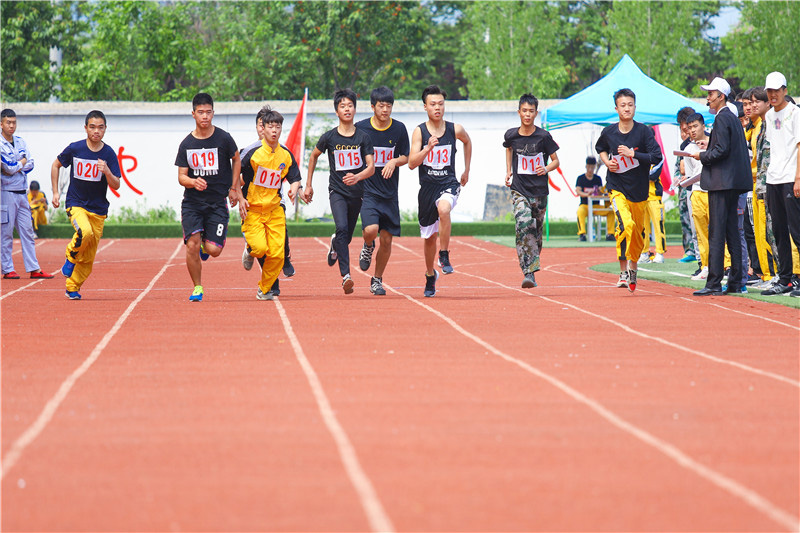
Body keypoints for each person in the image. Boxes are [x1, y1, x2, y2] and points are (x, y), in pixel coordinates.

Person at [303, 88, 375, 294]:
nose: (346, 109)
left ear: (354, 109)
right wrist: (308, 185)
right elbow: (313, 156)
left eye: (350, 106)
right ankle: (346, 276)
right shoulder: (329, 138)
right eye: (342, 106)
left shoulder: (363, 138)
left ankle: (335, 244)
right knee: (342, 227)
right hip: (337, 192)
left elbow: (371, 167)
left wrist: (357, 176)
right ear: (337, 111)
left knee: (346, 236)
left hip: (357, 193)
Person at [175, 92, 242, 302]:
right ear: (193, 114)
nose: (205, 116)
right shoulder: (186, 144)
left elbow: (236, 159)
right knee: (192, 244)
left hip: (217, 203)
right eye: (200, 112)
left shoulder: (223, 138)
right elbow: (181, 177)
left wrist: (233, 188)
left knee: (213, 250)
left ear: (213, 113)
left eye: (208, 112)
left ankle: (208, 244)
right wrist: (194, 182)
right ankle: (197, 287)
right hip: (193, 204)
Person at [595, 88, 662, 293]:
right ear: (616, 108)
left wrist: (633, 154)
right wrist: (607, 162)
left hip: (639, 191)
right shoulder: (609, 132)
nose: (627, 108)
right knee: (626, 225)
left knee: (638, 233)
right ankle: (623, 272)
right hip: (617, 187)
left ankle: (633, 267)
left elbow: (656, 157)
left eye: (630, 105)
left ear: (635, 107)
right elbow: (601, 149)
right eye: (622, 105)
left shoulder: (644, 132)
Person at [408, 84, 472, 297]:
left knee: (444, 210)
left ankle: (444, 255)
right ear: (425, 107)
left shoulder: (455, 129)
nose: (437, 108)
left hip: (448, 183)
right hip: (427, 188)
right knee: (428, 239)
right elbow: (411, 163)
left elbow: (467, 142)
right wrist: (427, 148)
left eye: (441, 104)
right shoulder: (419, 131)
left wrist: (466, 170)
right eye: (433, 104)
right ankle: (429, 275)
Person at [690, 77, 752, 296]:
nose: (708, 98)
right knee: (732, 232)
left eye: (710, 94)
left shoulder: (723, 118)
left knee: (717, 232)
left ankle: (714, 282)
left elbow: (721, 150)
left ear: (721, 96)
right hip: (732, 182)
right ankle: (736, 281)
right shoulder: (731, 117)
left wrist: (702, 155)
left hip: (723, 182)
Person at [50, 110, 121, 299]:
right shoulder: (75, 149)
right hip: (76, 203)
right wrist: (56, 192)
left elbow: (116, 184)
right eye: (92, 127)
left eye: (100, 127)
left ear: (105, 129)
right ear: (85, 128)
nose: (96, 131)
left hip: (98, 210)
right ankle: (70, 257)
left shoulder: (109, 153)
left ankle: (72, 287)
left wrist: (106, 171)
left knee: (88, 258)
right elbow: (55, 165)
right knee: (85, 232)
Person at [239, 106, 301, 300]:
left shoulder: (286, 155)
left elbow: (295, 177)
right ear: (262, 129)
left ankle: (264, 289)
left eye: (278, 127)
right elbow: (233, 173)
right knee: (259, 249)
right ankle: (250, 248)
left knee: (277, 254)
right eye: (270, 126)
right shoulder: (251, 152)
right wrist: (237, 195)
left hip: (275, 209)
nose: (274, 131)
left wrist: (294, 188)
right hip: (253, 209)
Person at [355, 86, 410, 296]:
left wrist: (394, 161)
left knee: (387, 239)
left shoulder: (399, 129)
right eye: (381, 106)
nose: (385, 110)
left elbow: (406, 156)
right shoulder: (361, 129)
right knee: (370, 230)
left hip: (390, 193)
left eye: (389, 106)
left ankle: (377, 280)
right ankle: (368, 246)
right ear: (372, 107)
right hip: (368, 192)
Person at [503, 93, 560, 288]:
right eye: (524, 111)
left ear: (536, 113)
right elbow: (508, 148)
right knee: (523, 223)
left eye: (531, 111)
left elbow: (556, 161)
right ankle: (529, 272)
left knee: (535, 233)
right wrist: (509, 171)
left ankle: (531, 265)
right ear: (519, 112)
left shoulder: (543, 136)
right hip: (519, 189)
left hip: (539, 191)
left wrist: (545, 169)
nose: (527, 114)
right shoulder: (512, 135)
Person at [1, 109, 53, 280]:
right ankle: (8, 269)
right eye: (8, 122)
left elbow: (30, 164)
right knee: (6, 232)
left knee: (28, 231)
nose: (12, 125)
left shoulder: (21, 142)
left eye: (14, 122)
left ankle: (33, 268)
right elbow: (7, 168)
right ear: (1, 124)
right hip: (6, 192)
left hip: (22, 192)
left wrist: (19, 164)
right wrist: (21, 162)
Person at [761, 72, 800, 297]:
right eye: (770, 90)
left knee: (796, 230)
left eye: (777, 90)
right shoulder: (768, 116)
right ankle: (785, 279)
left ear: (785, 89)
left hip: (790, 179)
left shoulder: (795, 113)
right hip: (773, 179)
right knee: (778, 231)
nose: (773, 94)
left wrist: (798, 178)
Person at [683, 113, 711, 281]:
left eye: (695, 126)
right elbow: (689, 173)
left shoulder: (713, 142)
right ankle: (705, 265)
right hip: (697, 191)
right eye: (690, 128)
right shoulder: (688, 149)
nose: (692, 130)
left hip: (713, 191)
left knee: (718, 231)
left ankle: (726, 265)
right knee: (701, 233)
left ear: (703, 126)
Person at [675, 106, 700, 264]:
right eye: (682, 129)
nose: (685, 133)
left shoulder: (702, 141)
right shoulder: (683, 145)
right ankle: (689, 249)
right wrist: (677, 177)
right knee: (685, 219)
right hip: (684, 188)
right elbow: (678, 168)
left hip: (698, 187)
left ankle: (698, 254)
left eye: (688, 128)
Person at [575, 156, 614, 242]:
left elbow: (601, 191)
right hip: (585, 205)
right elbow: (578, 191)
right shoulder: (580, 178)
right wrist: (586, 194)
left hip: (596, 206)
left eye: (592, 167)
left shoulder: (597, 179)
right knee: (580, 211)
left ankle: (610, 234)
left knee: (611, 211)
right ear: (586, 166)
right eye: (589, 167)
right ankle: (582, 234)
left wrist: (600, 192)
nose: (590, 169)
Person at [640, 154, 667, 264]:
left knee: (658, 225)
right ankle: (644, 253)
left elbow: (653, 175)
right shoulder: (638, 154)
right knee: (642, 227)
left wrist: (639, 174)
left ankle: (660, 253)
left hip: (654, 196)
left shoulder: (658, 155)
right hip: (641, 196)